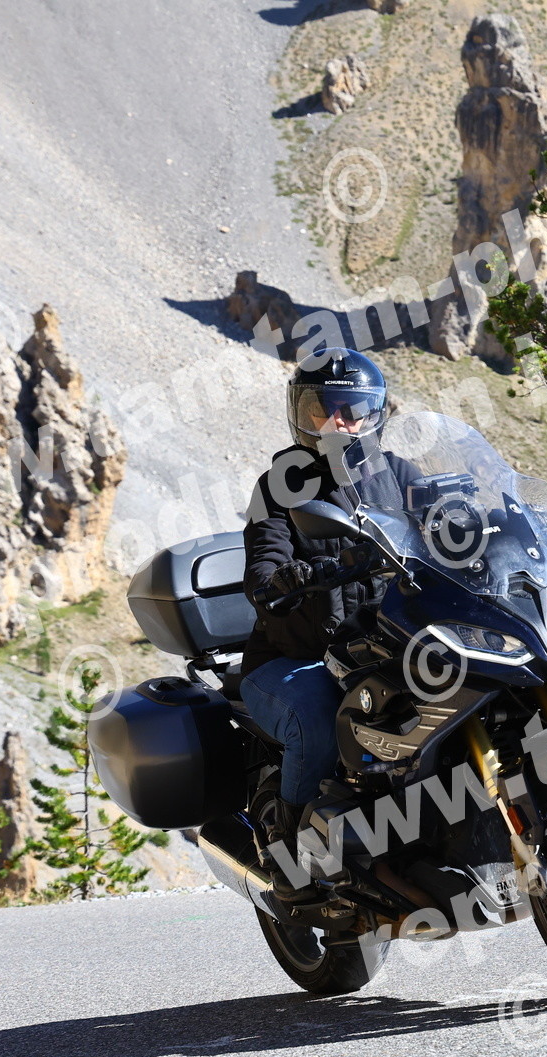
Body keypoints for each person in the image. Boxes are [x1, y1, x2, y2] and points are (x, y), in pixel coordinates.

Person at [239, 346, 401, 902]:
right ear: (301, 414)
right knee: (316, 716)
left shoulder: (398, 475)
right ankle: (289, 858)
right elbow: (263, 561)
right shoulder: (279, 486)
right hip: (293, 658)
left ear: (375, 413)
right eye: (322, 410)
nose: (338, 423)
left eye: (351, 410)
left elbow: (451, 518)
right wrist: (283, 580)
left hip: (382, 648)